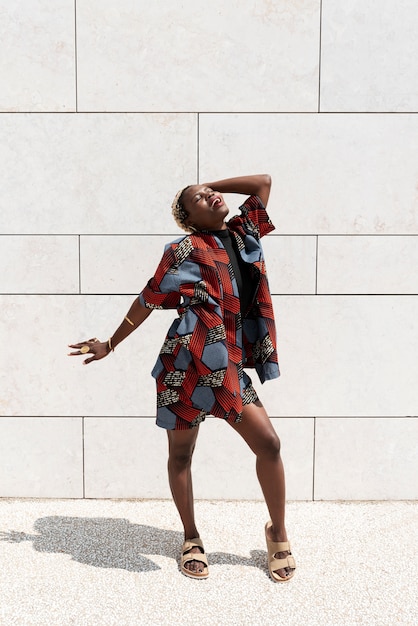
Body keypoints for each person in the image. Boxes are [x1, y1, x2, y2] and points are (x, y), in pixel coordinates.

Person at [68, 174, 296, 582]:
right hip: (185, 364)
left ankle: (277, 532)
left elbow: (262, 183)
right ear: (188, 219)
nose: (209, 196)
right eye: (197, 199)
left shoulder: (246, 232)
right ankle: (191, 537)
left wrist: (208, 184)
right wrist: (111, 343)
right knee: (181, 456)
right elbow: (148, 297)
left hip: (227, 363)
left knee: (270, 444)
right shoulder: (183, 249)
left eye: (208, 193)